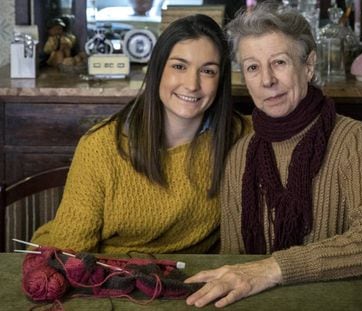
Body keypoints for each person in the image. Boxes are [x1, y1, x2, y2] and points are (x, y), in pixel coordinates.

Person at [185, 2, 362, 308]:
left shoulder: (354, 138)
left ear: (309, 65)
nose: (266, 80)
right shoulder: (239, 156)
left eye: (279, 62)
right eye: (252, 67)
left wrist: (273, 269)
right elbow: (236, 263)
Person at [31, 14, 247, 254]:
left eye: (208, 71)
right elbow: (68, 254)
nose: (192, 84)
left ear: (221, 80)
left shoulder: (236, 136)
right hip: (102, 275)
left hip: (186, 281)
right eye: (179, 66)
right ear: (157, 70)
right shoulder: (101, 147)